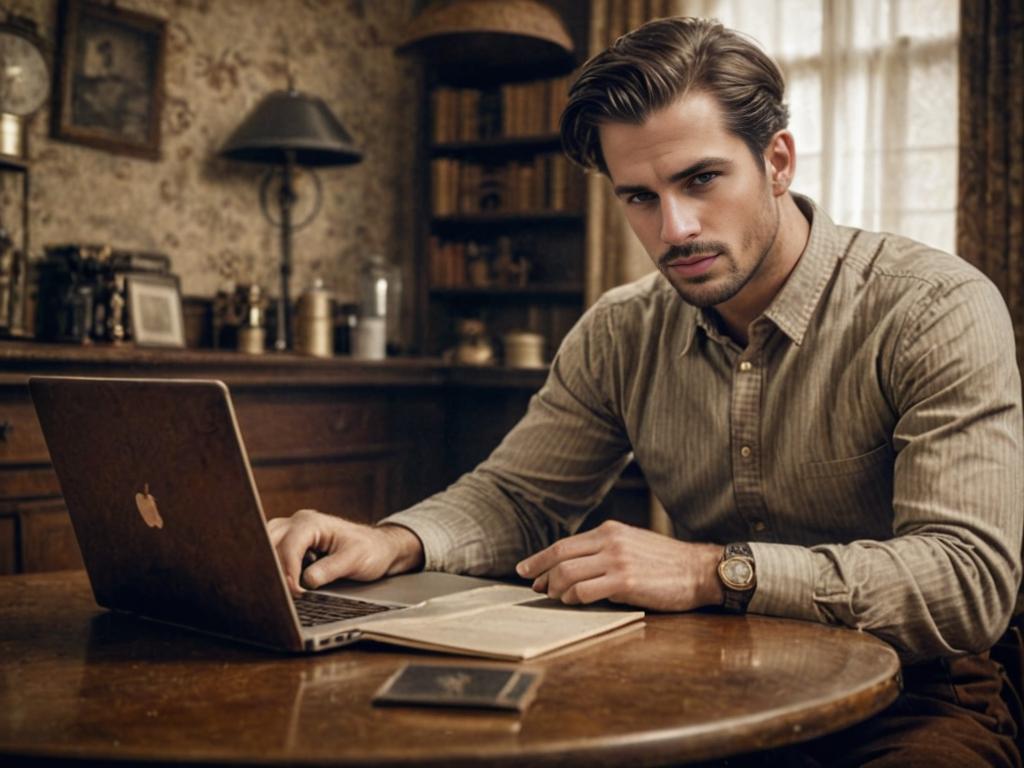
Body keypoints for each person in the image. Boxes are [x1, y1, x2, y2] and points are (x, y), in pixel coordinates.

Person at [268, 16, 1024, 766]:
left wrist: (710, 570)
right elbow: (519, 499)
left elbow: (966, 581)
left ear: (779, 160)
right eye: (638, 197)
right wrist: (392, 540)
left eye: (701, 179)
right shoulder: (621, 329)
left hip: (917, 698)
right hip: (705, 680)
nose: (675, 229)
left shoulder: (934, 308)